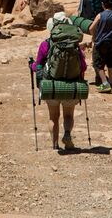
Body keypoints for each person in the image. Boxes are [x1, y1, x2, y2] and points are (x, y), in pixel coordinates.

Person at [32, 13, 87, 150]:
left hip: (52, 86)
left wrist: (31, 65)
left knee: (53, 117)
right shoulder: (74, 44)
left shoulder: (45, 44)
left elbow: (38, 66)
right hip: (71, 85)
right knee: (68, 115)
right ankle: (67, 133)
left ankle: (55, 145)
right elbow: (83, 66)